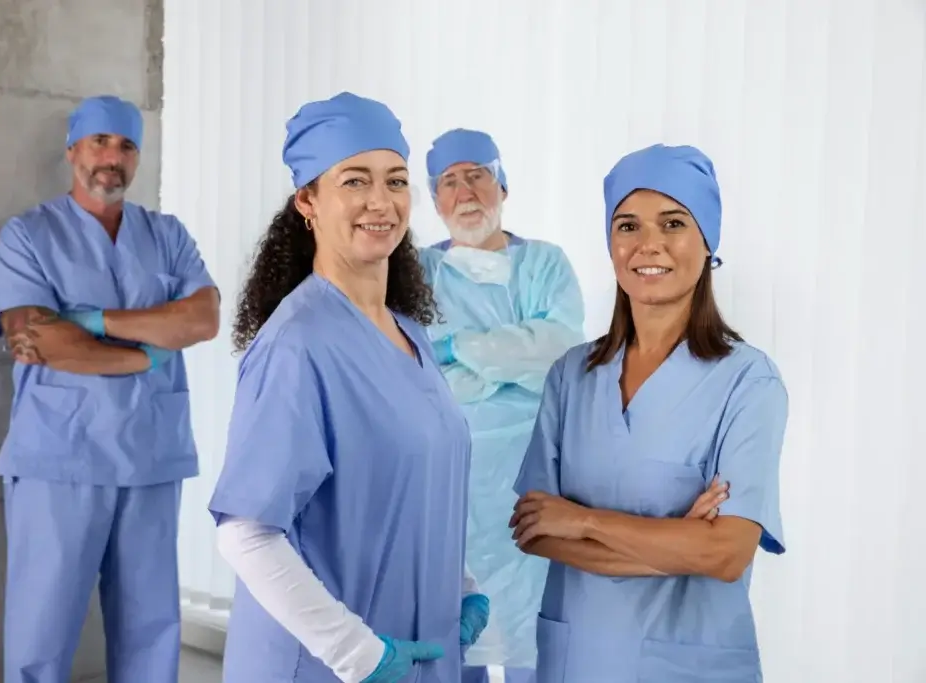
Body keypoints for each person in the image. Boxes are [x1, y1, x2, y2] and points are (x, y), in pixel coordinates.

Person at [207, 92, 488, 683]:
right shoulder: (298, 344)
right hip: (328, 666)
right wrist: (357, 652)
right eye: (355, 181)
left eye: (396, 181)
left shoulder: (410, 335)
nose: (380, 202)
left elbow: (416, 479)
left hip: (419, 651)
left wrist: (460, 586)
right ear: (308, 200)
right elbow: (247, 532)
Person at [509, 144, 788, 683]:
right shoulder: (571, 375)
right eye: (628, 225)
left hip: (689, 666)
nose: (648, 244)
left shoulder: (748, 383)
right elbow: (533, 530)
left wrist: (584, 521)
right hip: (578, 661)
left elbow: (728, 553)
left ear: (707, 241)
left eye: (674, 222)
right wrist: (680, 543)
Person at [0, 95, 220, 683]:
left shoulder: (166, 235)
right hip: (59, 459)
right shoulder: (30, 235)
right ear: (72, 150)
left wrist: (92, 321)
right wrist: (146, 357)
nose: (112, 157)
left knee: (151, 632)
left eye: (126, 145)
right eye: (100, 142)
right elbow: (35, 339)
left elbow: (202, 319)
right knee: (41, 632)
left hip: (150, 457)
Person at [417, 129, 585, 683]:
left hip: (530, 471)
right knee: (452, 627)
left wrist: (458, 348)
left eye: (477, 175)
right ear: (435, 199)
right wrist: (510, 358)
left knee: (530, 636)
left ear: (502, 186)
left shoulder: (544, 264)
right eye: (449, 181)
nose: (465, 191)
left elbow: (557, 349)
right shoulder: (415, 273)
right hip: (445, 476)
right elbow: (418, 375)